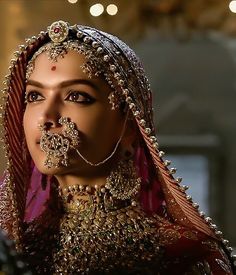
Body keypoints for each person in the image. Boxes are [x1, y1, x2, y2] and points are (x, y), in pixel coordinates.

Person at [0, 20, 235, 274]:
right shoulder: (17, 248)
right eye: (35, 96)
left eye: (76, 96)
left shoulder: (182, 254)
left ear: (129, 126)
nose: (47, 116)